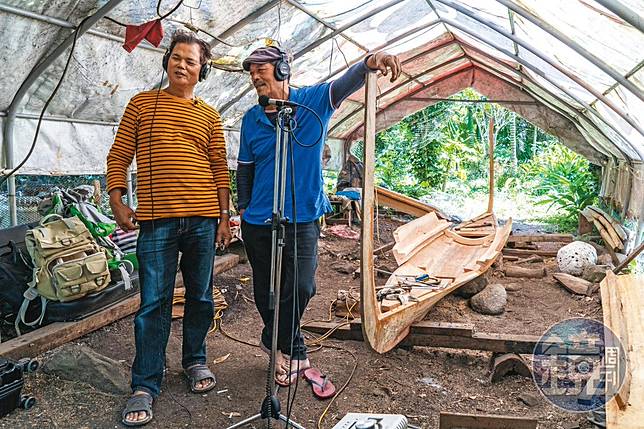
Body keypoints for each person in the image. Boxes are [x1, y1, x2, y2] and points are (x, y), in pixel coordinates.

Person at [237, 46, 401, 386]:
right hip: (259, 221)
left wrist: (371, 62)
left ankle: (275, 341)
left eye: (260, 69)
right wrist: (243, 210)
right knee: (267, 289)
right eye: (250, 71)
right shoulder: (251, 120)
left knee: (302, 285)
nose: (255, 76)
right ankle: (291, 351)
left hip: (304, 216)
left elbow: (345, 83)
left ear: (282, 69)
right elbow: (245, 169)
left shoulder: (312, 102)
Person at [107, 30, 232, 427]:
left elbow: (219, 171)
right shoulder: (142, 105)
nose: (182, 64)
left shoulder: (210, 115)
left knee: (200, 297)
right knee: (153, 304)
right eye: (176, 57)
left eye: (191, 61)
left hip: (202, 219)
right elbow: (119, 155)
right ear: (166, 63)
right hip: (156, 222)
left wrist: (225, 218)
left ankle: (195, 361)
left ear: (202, 70)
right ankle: (145, 383)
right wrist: (117, 199)